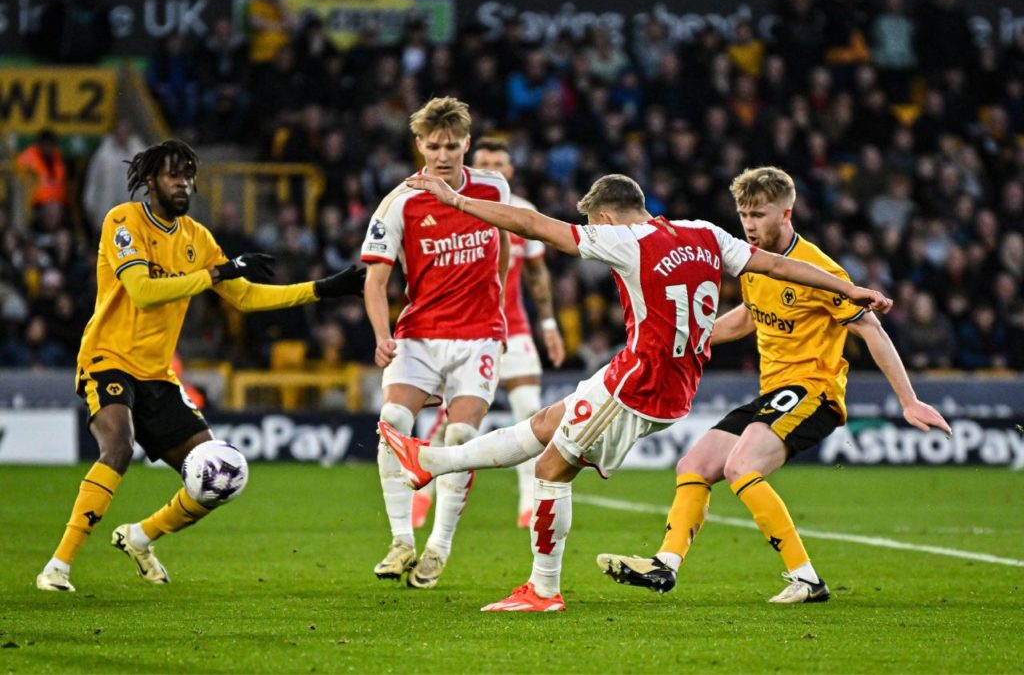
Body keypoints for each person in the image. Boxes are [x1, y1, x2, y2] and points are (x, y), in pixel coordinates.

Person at [379, 172, 892, 612]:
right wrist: (848, 288)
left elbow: (534, 226)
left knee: (550, 469)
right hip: (659, 377)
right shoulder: (706, 233)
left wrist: (458, 201)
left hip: (640, 385)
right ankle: (433, 462)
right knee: (543, 425)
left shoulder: (623, 240)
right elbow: (779, 266)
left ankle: (543, 588)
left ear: (604, 217)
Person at [596, 166, 951, 604]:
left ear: (787, 212)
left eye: (758, 214)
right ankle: (664, 566)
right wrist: (691, 334)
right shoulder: (751, 261)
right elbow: (748, 316)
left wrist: (909, 400)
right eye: (743, 213)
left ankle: (806, 579)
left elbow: (872, 330)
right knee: (694, 463)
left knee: (741, 467)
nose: (748, 223)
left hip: (814, 392)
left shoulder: (817, 269)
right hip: (775, 394)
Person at [35, 140, 365, 592]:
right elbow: (143, 290)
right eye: (174, 175)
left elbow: (245, 296)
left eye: (189, 176)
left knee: (220, 475)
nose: (184, 183)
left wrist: (323, 288)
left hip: (157, 374)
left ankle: (141, 536)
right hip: (107, 359)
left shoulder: (197, 238)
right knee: (118, 447)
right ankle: (59, 566)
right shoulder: (123, 221)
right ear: (151, 180)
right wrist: (216, 275)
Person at [361, 97, 511, 589]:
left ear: (467, 144)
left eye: (452, 146)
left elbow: (505, 245)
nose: (443, 155)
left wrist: (501, 308)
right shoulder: (399, 202)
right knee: (393, 422)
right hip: (420, 335)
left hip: (477, 336)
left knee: (461, 439)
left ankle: (439, 546)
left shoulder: (494, 188)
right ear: (419, 146)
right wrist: (383, 336)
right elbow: (375, 281)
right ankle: (401, 539)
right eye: (433, 146)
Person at [472, 138, 565, 527]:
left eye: (499, 163)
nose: (492, 168)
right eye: (484, 162)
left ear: (511, 170)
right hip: (465, 331)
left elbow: (535, 274)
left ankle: (529, 503)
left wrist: (548, 323)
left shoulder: (525, 213)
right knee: (456, 422)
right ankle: (424, 495)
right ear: (472, 167)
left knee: (529, 412)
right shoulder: (457, 206)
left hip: (514, 327)